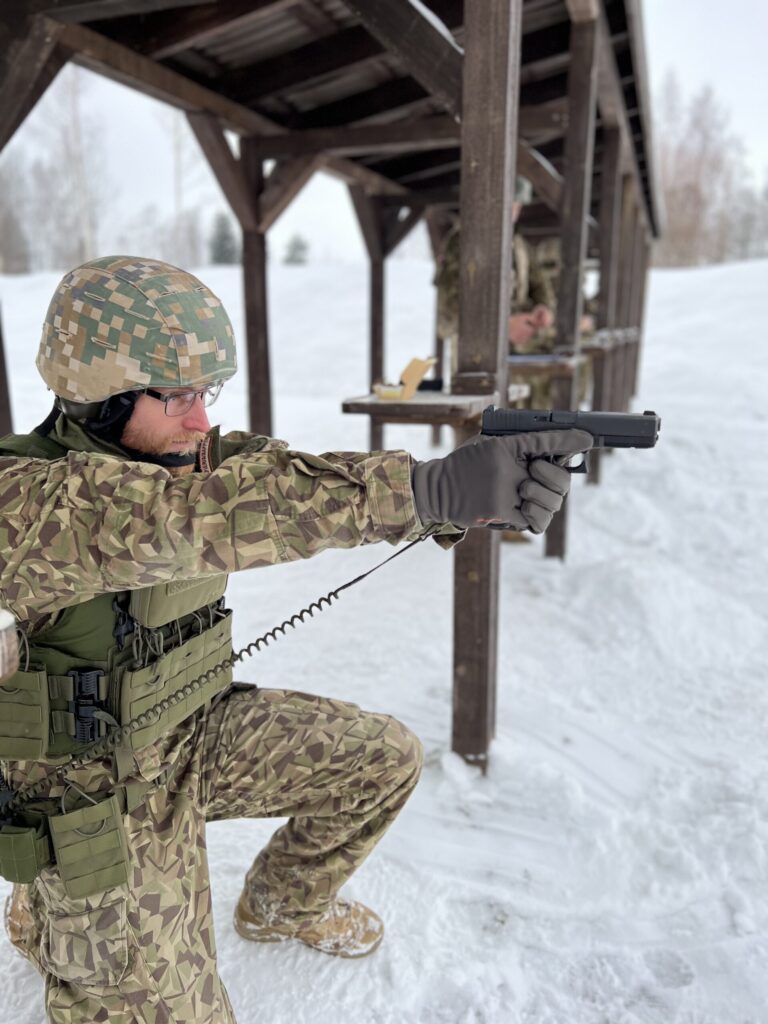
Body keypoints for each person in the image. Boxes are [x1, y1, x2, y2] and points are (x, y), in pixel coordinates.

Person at [0, 256, 590, 1024]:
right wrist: (428, 491)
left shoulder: (194, 457)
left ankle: (281, 904)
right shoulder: (27, 498)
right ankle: (55, 919)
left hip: (193, 731)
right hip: (97, 792)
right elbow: (185, 515)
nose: (200, 419)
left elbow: (284, 483)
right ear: (101, 395)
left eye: (204, 393)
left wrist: (453, 499)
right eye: (175, 395)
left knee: (382, 760)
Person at [434, 176, 557, 373]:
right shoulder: (463, 241)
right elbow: (449, 309)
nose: (513, 212)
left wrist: (543, 309)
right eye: (509, 204)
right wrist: (503, 325)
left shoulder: (520, 246)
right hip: (474, 360)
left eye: (517, 206)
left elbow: (539, 286)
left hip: (516, 361)